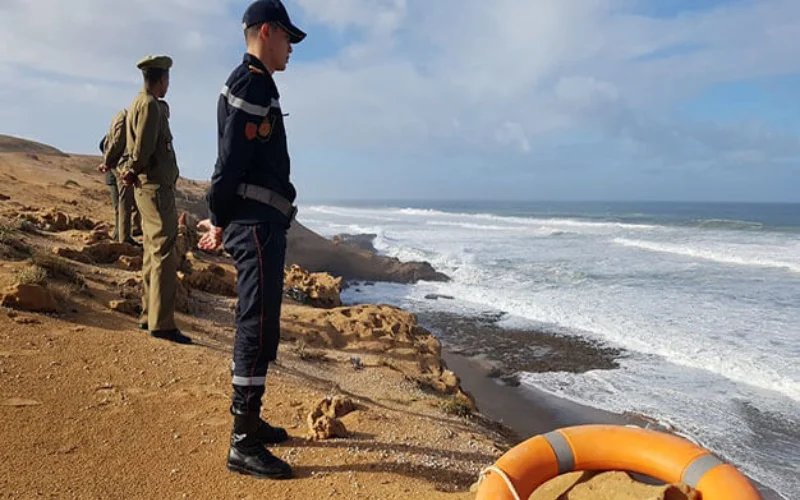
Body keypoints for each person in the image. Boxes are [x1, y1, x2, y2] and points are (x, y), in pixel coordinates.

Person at [197, 0, 305, 480]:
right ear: (266, 32)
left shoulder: (256, 84)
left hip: (262, 223)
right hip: (255, 226)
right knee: (255, 325)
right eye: (287, 38)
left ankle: (252, 421)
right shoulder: (251, 83)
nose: (290, 49)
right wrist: (218, 216)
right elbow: (229, 162)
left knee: (263, 325)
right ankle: (241, 441)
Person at [120, 54, 191, 345]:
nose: (168, 85)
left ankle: (148, 315)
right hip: (156, 190)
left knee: (152, 251)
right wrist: (132, 169)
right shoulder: (149, 105)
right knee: (164, 253)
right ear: (160, 80)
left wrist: (132, 170)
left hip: (147, 188)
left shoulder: (138, 102)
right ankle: (161, 323)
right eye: (167, 80)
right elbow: (144, 148)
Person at [97, 109, 142, 245]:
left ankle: (120, 235)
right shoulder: (126, 119)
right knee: (123, 203)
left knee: (121, 204)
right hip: (119, 166)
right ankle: (123, 238)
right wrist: (108, 162)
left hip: (115, 165)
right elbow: (117, 142)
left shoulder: (123, 118)